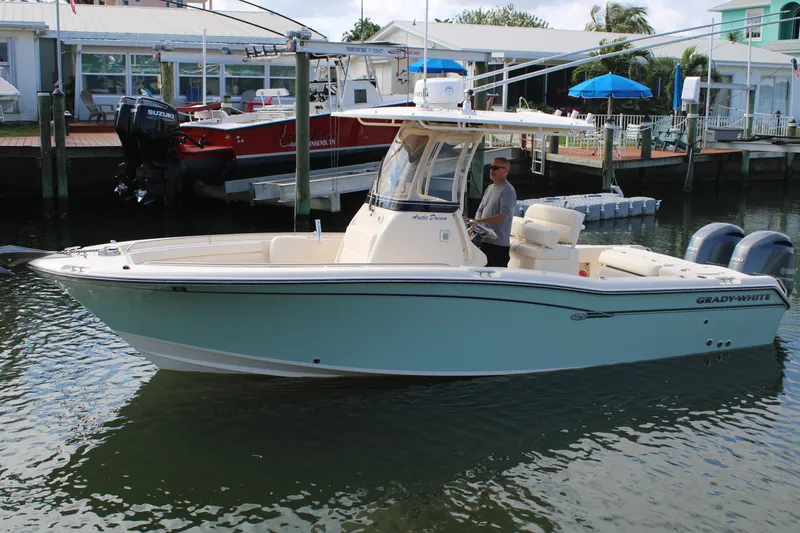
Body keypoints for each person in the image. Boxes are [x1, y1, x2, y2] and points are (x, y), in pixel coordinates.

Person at [472, 157, 516, 267]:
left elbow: (503, 216)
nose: (492, 170)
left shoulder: (508, 190)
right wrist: (475, 224)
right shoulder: (489, 188)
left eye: (496, 168)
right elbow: (481, 209)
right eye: (491, 167)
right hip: (484, 241)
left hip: (498, 245)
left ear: (505, 170)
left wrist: (480, 221)